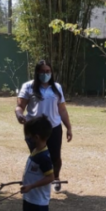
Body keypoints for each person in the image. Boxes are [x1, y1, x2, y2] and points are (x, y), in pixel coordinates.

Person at [16, 60, 72, 191]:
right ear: (37, 72)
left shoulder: (57, 87)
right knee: (37, 157)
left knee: (55, 156)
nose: (45, 74)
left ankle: (55, 178)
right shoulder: (28, 87)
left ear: (51, 72)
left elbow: (62, 109)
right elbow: (19, 107)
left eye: (48, 71)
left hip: (53, 127)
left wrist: (69, 127)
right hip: (34, 129)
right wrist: (19, 115)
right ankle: (37, 182)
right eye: (42, 71)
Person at [13, 116, 55, 211]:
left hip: (39, 202)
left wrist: (31, 185)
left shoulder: (44, 157)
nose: (27, 139)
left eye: (28, 136)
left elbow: (50, 177)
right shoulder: (36, 151)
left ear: (36, 137)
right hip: (29, 198)